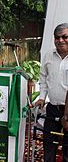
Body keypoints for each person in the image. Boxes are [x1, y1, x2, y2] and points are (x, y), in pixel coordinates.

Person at [35, 23, 68, 162]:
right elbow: (43, 79)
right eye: (57, 37)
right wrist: (42, 97)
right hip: (52, 108)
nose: (60, 40)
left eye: (65, 37)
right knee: (48, 145)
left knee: (67, 149)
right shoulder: (49, 55)